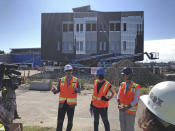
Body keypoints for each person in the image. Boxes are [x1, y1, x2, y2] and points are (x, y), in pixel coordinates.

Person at [51, 64, 80, 131]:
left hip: (71, 104)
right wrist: (54, 91)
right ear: (65, 71)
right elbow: (58, 90)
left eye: (69, 70)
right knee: (60, 121)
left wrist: (76, 90)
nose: (68, 72)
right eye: (67, 71)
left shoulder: (76, 80)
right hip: (62, 103)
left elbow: (79, 90)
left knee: (70, 121)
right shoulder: (61, 80)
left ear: (72, 71)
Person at [117, 67, 141, 131]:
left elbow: (135, 100)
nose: (123, 76)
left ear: (128, 75)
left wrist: (126, 108)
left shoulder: (135, 86)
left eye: (124, 74)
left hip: (130, 111)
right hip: (122, 110)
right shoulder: (122, 84)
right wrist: (119, 104)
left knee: (129, 128)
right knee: (122, 127)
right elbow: (118, 96)